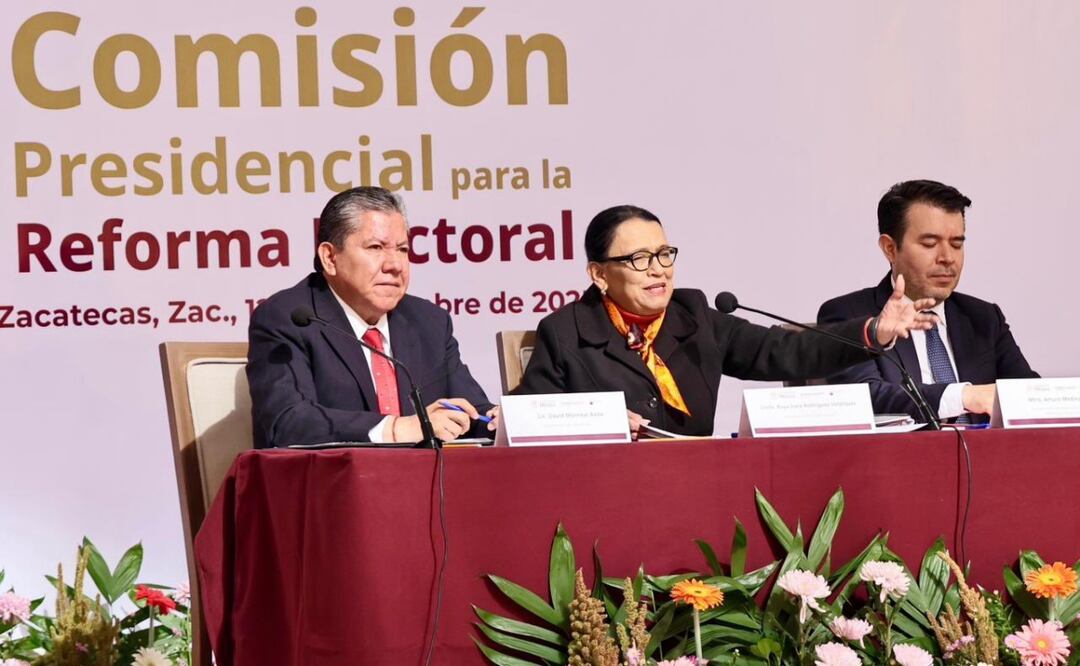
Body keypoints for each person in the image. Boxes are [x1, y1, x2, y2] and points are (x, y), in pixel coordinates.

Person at [513, 204, 936, 437]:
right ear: (599, 274)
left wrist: (873, 332)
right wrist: (596, 422)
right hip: (604, 491)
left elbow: (785, 351)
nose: (659, 270)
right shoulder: (566, 332)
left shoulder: (694, 318)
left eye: (664, 255)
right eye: (639, 259)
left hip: (695, 488)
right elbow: (529, 421)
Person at [247, 186, 494, 447]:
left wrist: (497, 422)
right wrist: (398, 429)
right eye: (376, 247)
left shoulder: (428, 321)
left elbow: (471, 411)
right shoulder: (288, 318)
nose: (395, 265)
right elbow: (288, 422)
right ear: (330, 258)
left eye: (402, 249)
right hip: (332, 483)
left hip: (428, 482)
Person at [817, 179, 1037, 423]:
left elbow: (1030, 396)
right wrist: (963, 396)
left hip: (987, 458)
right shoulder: (849, 315)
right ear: (890, 248)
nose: (947, 258)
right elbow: (866, 400)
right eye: (930, 244)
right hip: (899, 459)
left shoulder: (984, 318)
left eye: (956, 244)